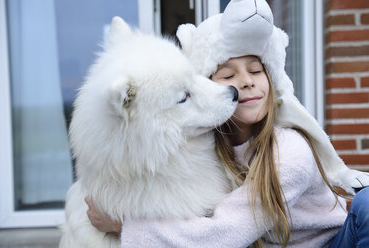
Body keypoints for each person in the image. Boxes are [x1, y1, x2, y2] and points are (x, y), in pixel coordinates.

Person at [86, 0, 369, 247]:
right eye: (227, 76)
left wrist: (125, 228)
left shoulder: (290, 152)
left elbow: (223, 233)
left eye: (256, 70)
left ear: (272, 81)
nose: (245, 82)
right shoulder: (210, 142)